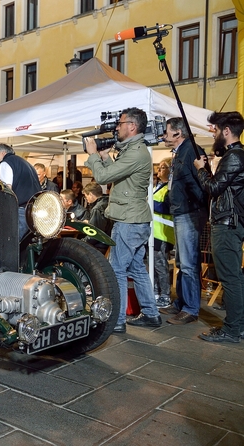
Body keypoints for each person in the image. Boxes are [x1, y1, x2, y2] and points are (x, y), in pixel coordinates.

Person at [84, 107, 160, 333]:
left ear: (132, 126)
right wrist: (106, 157)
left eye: (121, 123)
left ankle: (116, 321)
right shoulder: (134, 150)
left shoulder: (136, 152)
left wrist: (92, 155)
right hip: (134, 219)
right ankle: (151, 314)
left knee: (116, 269)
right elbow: (116, 173)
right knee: (136, 269)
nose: (117, 127)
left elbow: (103, 177)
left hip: (129, 221)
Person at [194, 111, 244, 343]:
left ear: (226, 131)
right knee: (234, 276)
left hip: (227, 224)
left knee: (230, 277)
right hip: (230, 222)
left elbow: (214, 188)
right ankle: (237, 326)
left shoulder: (235, 157)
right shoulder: (234, 155)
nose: (212, 133)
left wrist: (201, 170)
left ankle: (233, 329)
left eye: (214, 129)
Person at [160, 117, 208, 325]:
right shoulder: (182, 151)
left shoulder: (192, 151)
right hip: (182, 211)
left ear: (178, 133)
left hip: (189, 212)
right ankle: (181, 302)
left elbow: (202, 183)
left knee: (188, 263)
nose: (163, 135)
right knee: (181, 261)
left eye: (166, 131)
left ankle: (190, 308)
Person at [0, 143, 41, 238]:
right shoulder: (25, 163)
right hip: (35, 212)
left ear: (3, 152)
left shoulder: (5, 163)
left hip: (21, 212)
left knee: (10, 244)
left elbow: (6, 191)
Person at [153, 158, 175, 309]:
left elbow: (167, 207)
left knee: (160, 265)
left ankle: (165, 295)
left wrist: (149, 202)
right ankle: (155, 292)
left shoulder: (170, 188)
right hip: (154, 232)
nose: (158, 171)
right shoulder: (160, 186)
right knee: (154, 264)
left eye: (161, 168)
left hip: (162, 232)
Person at [82, 181, 112, 253]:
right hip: (108, 243)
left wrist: (81, 242)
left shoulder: (97, 209)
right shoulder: (108, 203)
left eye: (86, 197)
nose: (87, 200)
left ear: (91, 194)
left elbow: (95, 234)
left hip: (99, 246)